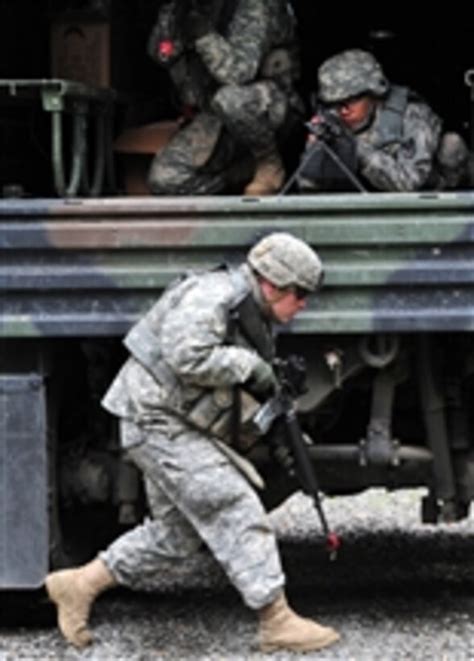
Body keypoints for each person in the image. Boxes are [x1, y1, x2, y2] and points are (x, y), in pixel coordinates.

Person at [45, 232, 340, 654]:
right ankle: (276, 619)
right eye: (300, 294)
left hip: (172, 420)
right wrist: (250, 366)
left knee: (176, 534)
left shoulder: (251, 309)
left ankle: (78, 585)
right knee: (233, 503)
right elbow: (186, 356)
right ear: (273, 284)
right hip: (157, 420)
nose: (304, 305)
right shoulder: (212, 295)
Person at [145, 0, 303, 196]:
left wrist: (204, 35)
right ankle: (239, 173)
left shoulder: (255, 6)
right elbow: (160, 55)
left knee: (230, 99)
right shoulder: (190, 8)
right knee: (164, 179)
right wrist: (170, 15)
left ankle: (268, 163)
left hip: (267, 109)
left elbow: (238, 74)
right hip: (215, 114)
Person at [297, 49, 469, 193]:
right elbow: (307, 187)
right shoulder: (331, 119)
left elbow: (410, 183)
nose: (343, 110)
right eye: (334, 103)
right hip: (365, 197)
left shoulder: (410, 115)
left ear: (374, 94)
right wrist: (316, 153)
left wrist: (355, 149)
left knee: (451, 146)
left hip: (426, 193)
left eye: (352, 100)